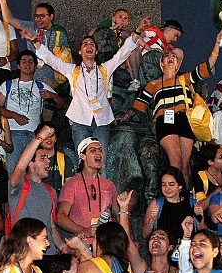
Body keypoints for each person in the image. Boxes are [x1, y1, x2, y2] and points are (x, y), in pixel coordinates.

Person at [27, 17, 149, 168]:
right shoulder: (73, 70)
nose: (89, 46)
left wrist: (138, 30)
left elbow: (123, 53)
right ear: (80, 51)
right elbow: (52, 60)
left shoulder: (105, 69)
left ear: (96, 51)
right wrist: (34, 40)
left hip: (101, 122)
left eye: (92, 44)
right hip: (79, 122)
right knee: (82, 163)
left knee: (100, 162)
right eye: (85, 44)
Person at [117, 32, 222, 184]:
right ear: (161, 64)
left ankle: (186, 201)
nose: (170, 57)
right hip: (165, 121)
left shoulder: (185, 79)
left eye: (173, 57)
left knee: (185, 165)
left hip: (184, 120)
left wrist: (217, 43)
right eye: (167, 56)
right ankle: (173, 200)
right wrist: (125, 116)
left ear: (177, 64)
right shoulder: (153, 84)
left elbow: (207, 66)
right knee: (175, 162)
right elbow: (140, 104)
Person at [0, 50, 65, 172]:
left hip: (34, 135)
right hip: (13, 134)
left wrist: (52, 95)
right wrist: (14, 115)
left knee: (33, 172)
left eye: (30, 61)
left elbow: (62, 104)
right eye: (23, 61)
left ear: (35, 66)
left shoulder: (41, 85)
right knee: (12, 171)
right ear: (18, 65)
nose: (27, 64)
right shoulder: (7, 85)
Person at [0, 0, 72, 86]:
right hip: (29, 74)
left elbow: (63, 58)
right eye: (36, 16)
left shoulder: (58, 32)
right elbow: (9, 20)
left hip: (50, 76)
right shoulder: (31, 27)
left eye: (42, 16)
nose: (38, 20)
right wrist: (3, 2)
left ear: (51, 17)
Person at [8, 126, 66, 253]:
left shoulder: (51, 191)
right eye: (42, 158)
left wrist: (64, 247)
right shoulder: (19, 185)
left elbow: (51, 225)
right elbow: (19, 167)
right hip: (24, 253)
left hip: (48, 253)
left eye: (48, 158)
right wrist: (39, 138)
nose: (48, 161)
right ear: (31, 163)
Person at [56, 137, 119, 240]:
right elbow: (60, 217)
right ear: (82, 156)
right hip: (82, 245)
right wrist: (84, 231)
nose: (99, 153)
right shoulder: (72, 184)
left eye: (100, 150)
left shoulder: (109, 185)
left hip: (106, 245)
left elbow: (119, 215)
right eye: (93, 150)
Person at [142, 166, 202, 245]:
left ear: (180, 186)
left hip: (187, 249)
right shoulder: (156, 204)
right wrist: (152, 220)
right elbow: (144, 235)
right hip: (164, 252)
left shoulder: (192, 203)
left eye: (171, 184)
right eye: (164, 185)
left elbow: (203, 232)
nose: (167, 188)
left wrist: (199, 217)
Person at [35, 122, 73, 194]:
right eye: (46, 136)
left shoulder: (65, 159)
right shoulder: (33, 159)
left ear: (55, 138)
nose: (49, 139)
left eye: (52, 135)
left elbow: (69, 186)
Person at [193, 143, 222, 211]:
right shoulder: (200, 176)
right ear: (210, 162)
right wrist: (216, 192)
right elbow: (200, 206)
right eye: (220, 157)